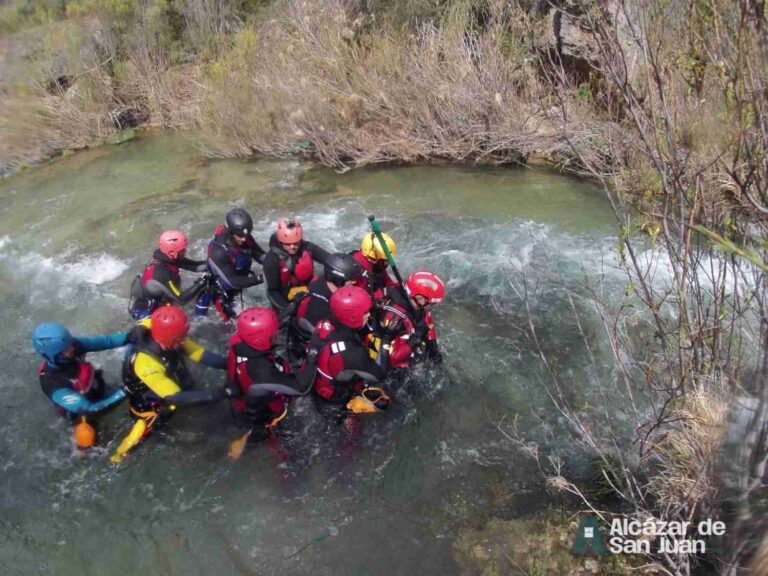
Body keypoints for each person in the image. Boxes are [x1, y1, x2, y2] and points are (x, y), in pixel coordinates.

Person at [111, 306, 226, 463]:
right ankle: (118, 457)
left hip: (171, 388)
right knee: (126, 453)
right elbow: (175, 397)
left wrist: (232, 363)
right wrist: (221, 393)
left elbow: (201, 354)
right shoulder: (145, 362)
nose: (185, 340)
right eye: (181, 337)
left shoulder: (170, 336)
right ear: (170, 338)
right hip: (151, 410)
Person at [32, 322, 128, 449]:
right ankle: (84, 451)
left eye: (70, 344)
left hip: (96, 391)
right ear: (53, 356)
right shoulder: (52, 383)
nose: (72, 348)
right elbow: (90, 410)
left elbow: (108, 341)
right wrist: (126, 391)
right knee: (87, 437)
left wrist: (133, 335)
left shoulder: (71, 346)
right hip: (82, 414)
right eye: (66, 349)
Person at [303, 286, 396, 415]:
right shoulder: (353, 353)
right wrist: (387, 338)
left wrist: (373, 308)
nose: (368, 315)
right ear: (353, 317)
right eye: (365, 313)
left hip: (319, 384)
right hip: (335, 402)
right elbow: (379, 374)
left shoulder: (326, 321)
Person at [225, 307, 300, 447]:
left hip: (240, 401)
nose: (277, 334)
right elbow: (301, 388)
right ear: (260, 341)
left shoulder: (239, 341)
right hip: (259, 418)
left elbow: (264, 330)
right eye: (274, 334)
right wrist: (314, 357)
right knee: (286, 450)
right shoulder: (260, 370)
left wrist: (290, 309)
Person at [367, 270, 445, 368]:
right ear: (420, 299)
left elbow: (426, 318)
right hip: (384, 352)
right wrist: (412, 341)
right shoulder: (396, 318)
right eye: (431, 304)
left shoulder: (412, 298)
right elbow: (390, 359)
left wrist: (433, 347)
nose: (431, 307)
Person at [128, 230, 210, 320]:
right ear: (172, 252)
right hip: (143, 311)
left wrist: (216, 263)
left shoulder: (170, 257)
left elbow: (195, 266)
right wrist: (202, 282)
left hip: (157, 297)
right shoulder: (161, 272)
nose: (185, 251)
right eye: (182, 250)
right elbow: (181, 299)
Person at [205, 208, 266, 321]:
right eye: (240, 236)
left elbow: (259, 254)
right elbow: (232, 282)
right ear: (231, 232)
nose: (244, 239)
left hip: (239, 285)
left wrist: (276, 264)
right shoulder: (218, 251)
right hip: (222, 294)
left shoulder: (244, 236)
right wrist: (262, 278)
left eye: (246, 235)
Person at [262, 217, 331, 314]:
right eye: (288, 244)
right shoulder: (272, 259)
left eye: (296, 243)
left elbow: (329, 259)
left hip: (307, 293)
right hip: (285, 301)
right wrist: (288, 309)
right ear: (281, 241)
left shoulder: (307, 247)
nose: (292, 247)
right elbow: (272, 292)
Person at [295, 252, 365, 331]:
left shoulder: (326, 279)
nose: (354, 282)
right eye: (351, 279)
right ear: (338, 280)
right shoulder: (323, 305)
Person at [351, 232, 398, 297]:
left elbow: (388, 282)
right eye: (386, 260)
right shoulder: (359, 273)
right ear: (373, 259)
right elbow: (361, 298)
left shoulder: (376, 264)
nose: (388, 263)